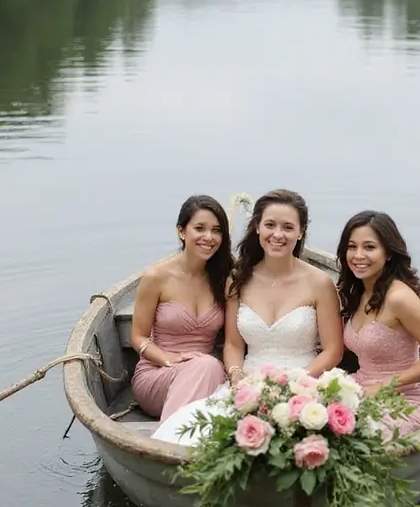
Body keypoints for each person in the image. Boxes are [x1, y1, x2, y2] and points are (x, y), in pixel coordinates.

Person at [152, 188, 344, 445]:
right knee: (199, 437)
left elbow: (333, 351)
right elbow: (233, 344)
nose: (278, 234)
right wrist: (236, 376)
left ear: (300, 233)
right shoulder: (239, 279)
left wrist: (299, 382)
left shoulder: (320, 283)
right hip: (249, 383)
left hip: (305, 382)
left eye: (288, 227)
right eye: (270, 225)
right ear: (257, 228)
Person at [337, 210, 420, 437]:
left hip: (407, 398)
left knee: (357, 436)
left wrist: (382, 387)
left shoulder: (399, 298)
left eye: (369, 247)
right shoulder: (358, 292)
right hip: (361, 386)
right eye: (352, 247)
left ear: (388, 253)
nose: (358, 255)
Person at [131, 195, 232, 423]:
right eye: (199, 228)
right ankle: (170, 441)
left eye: (216, 230)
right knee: (206, 365)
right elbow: (138, 337)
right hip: (158, 373)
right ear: (181, 231)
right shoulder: (156, 277)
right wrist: (167, 358)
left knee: (209, 366)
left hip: (208, 374)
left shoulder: (224, 279)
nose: (209, 237)